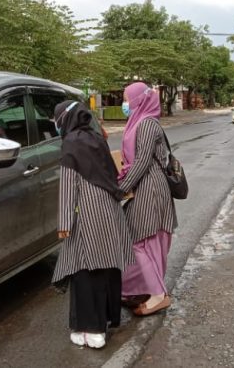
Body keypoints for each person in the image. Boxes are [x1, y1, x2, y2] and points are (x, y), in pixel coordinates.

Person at [51, 100, 133, 350]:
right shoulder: (97, 139)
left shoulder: (71, 143)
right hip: (109, 210)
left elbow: (68, 185)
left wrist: (64, 222)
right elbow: (111, 174)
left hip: (87, 214)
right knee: (107, 266)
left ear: (64, 118)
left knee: (85, 271)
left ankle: (90, 329)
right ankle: (106, 321)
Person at [118, 82, 177, 316]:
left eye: (126, 99)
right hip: (145, 188)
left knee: (141, 242)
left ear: (138, 100)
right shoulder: (140, 122)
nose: (125, 103)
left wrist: (120, 188)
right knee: (142, 240)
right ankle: (139, 289)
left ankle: (157, 295)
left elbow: (141, 163)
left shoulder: (146, 125)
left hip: (149, 189)